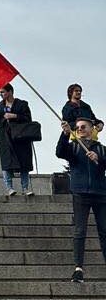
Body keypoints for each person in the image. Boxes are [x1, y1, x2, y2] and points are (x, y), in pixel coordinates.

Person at [55, 117, 106, 283]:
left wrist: (99, 160)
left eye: (84, 127)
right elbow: (60, 152)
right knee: (79, 231)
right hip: (80, 193)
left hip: (100, 193)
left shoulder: (102, 149)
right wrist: (64, 134)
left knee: (104, 231)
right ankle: (78, 268)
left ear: (92, 129)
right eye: (77, 128)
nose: (80, 129)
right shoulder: (74, 147)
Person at [0, 83, 34, 196]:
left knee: (24, 162)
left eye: (3, 92)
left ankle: (25, 188)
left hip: (20, 137)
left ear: (10, 92)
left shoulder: (22, 104)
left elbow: (28, 119)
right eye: (0, 92)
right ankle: (9, 188)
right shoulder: (0, 105)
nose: (1, 94)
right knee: (6, 163)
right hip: (6, 137)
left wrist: (15, 116)